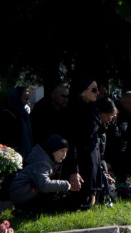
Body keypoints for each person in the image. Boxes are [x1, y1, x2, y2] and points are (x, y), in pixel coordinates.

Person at [62, 79, 115, 208]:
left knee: (93, 197)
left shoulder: (92, 108)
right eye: (94, 89)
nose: (97, 93)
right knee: (84, 201)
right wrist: (74, 170)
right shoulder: (74, 110)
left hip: (93, 158)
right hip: (82, 160)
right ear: (83, 91)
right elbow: (72, 141)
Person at [8, 134, 75, 214]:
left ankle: (27, 210)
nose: (64, 155)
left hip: (28, 193)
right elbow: (44, 185)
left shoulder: (48, 161)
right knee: (56, 204)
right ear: (53, 150)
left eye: (66, 151)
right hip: (23, 196)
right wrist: (67, 185)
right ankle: (25, 210)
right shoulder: (41, 163)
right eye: (62, 151)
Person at [0, 86, 35, 155]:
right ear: (17, 98)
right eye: (25, 99)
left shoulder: (23, 113)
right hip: (12, 152)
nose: (27, 102)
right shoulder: (7, 114)